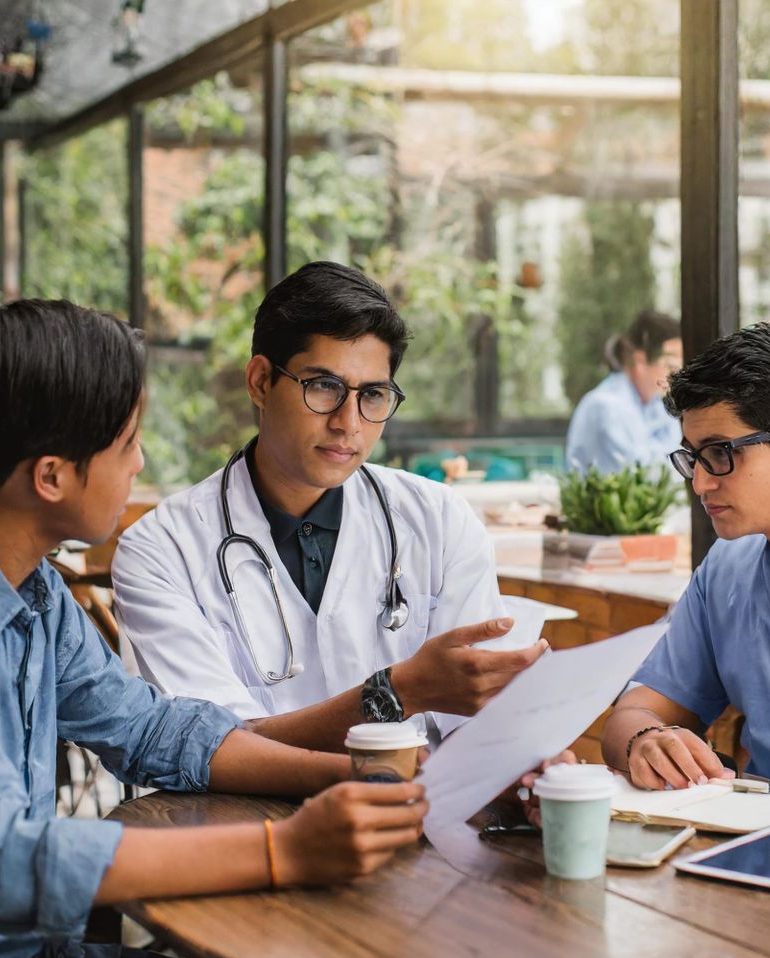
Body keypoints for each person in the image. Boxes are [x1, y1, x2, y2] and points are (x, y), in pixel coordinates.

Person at [0, 300, 430, 958]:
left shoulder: (33, 588)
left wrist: (348, 776)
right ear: (52, 476)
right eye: (126, 443)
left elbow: (153, 730)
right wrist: (284, 850)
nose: (141, 463)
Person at [113, 261, 548, 754]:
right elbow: (217, 749)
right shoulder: (160, 552)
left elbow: (476, 726)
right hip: (244, 825)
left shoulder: (440, 521)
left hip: (416, 816)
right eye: (324, 387)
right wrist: (396, 693)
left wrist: (523, 764)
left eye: (373, 395)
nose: (349, 423)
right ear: (259, 382)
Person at [602, 322, 770, 789]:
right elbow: (634, 712)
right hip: (758, 842)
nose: (699, 483)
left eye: (720, 453)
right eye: (694, 457)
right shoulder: (727, 570)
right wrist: (648, 740)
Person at [565, 310, 682, 475]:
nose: (676, 377)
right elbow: (651, 477)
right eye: (671, 366)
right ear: (640, 361)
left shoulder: (657, 406)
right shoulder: (607, 406)